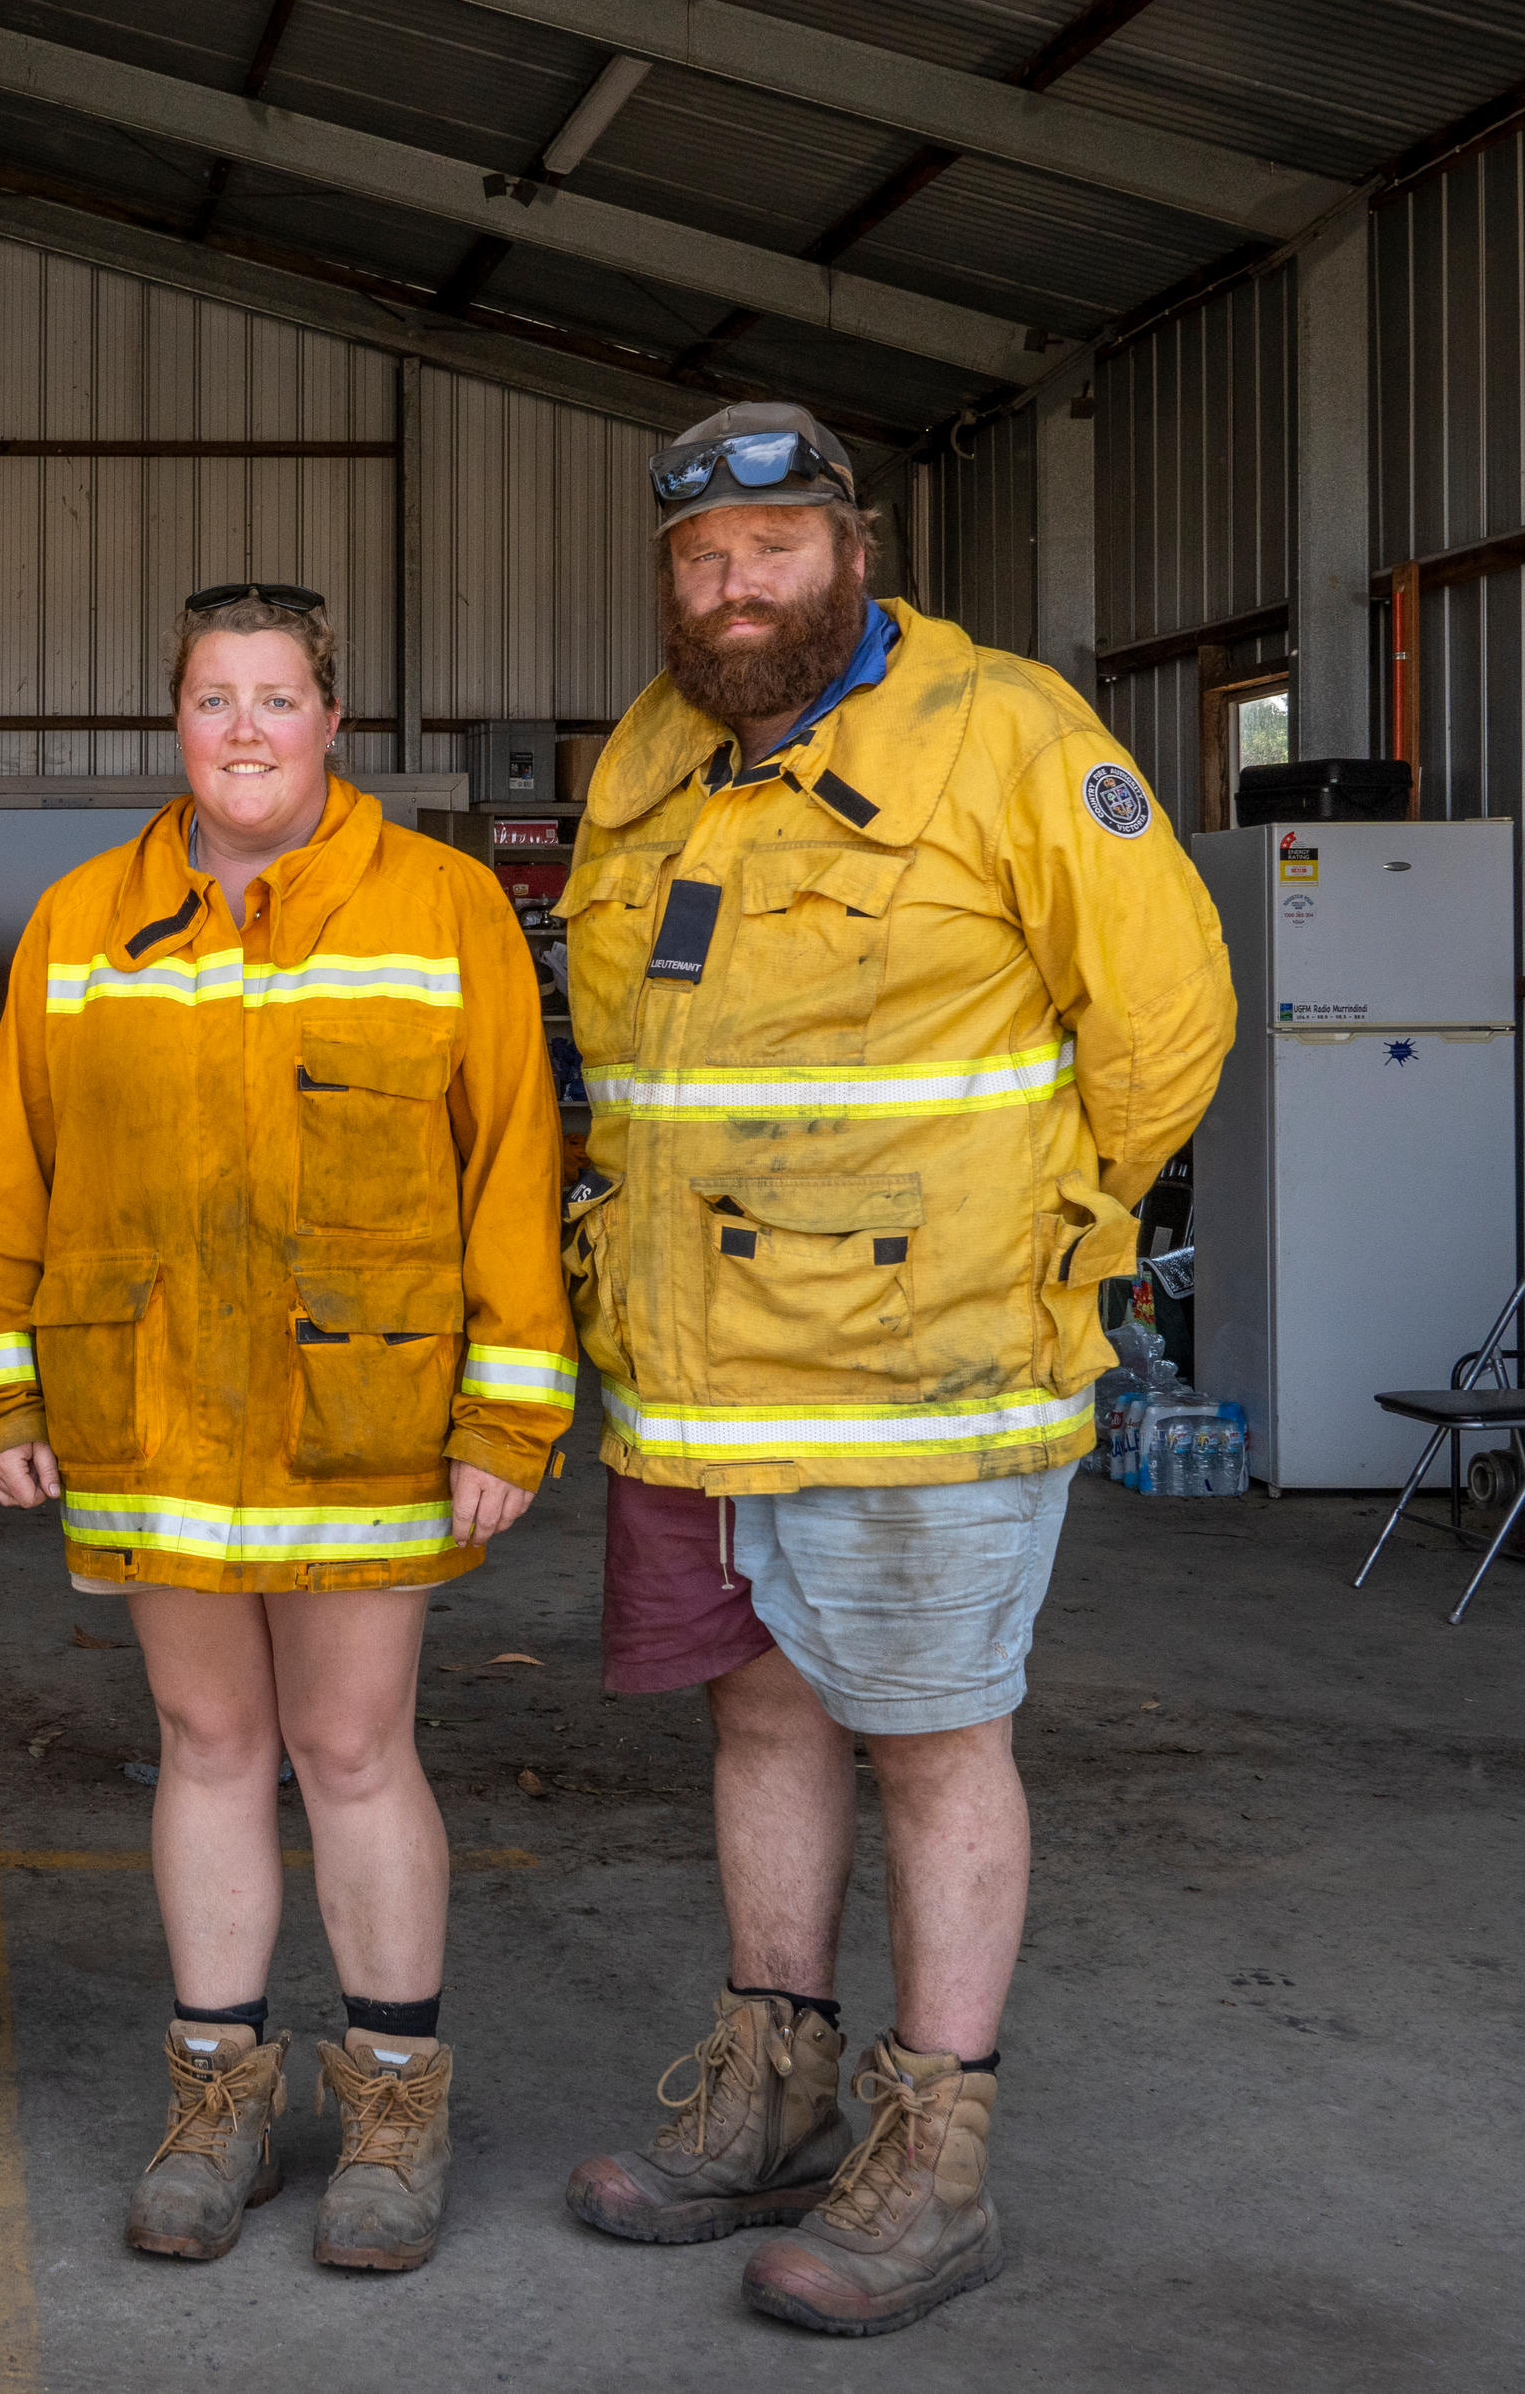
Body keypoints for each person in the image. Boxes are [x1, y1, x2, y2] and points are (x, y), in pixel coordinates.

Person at [553, 403, 1227, 2336]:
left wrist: (1051, 1228)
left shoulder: (1008, 734)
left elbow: (1167, 1022)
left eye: (773, 547)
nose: (735, 584)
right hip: (693, 1373)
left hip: (928, 1368)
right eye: (701, 557)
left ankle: (935, 2160)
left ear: (853, 549)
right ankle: (773, 2088)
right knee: (758, 1718)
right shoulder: (652, 756)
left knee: (935, 1747)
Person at [0, 586, 575, 2275]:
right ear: (176, 722)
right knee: (208, 1745)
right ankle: (216, 2092)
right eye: (214, 698)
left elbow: (514, 1165)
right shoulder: (88, 920)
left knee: (356, 1749)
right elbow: (11, 1164)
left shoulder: (445, 910)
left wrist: (509, 1410)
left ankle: (391, 2099)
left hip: (364, 1411)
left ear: (332, 722)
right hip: (151, 1403)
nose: (244, 728)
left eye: (277, 696)